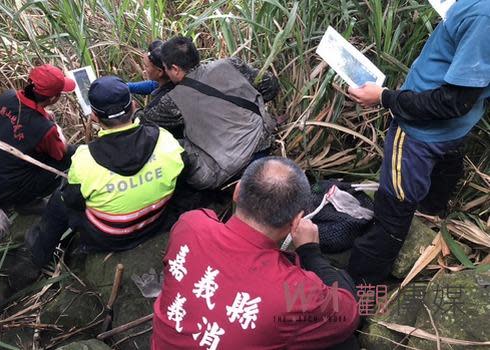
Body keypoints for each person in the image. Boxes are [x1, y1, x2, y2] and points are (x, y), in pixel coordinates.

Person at [346, 0, 490, 283]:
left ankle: (357, 292)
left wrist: (384, 97)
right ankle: (428, 214)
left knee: (391, 216)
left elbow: (452, 102)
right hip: (454, 131)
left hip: (419, 133)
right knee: (443, 172)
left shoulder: (484, 16)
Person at [152, 157, 360, 350]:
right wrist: (310, 252)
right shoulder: (295, 292)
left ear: (237, 190)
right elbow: (348, 314)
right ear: (297, 221)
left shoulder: (190, 225)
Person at [24, 76, 185, 268]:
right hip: (158, 222)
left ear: (94, 116)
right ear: (133, 106)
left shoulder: (85, 159)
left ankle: (38, 257)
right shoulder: (165, 140)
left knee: (60, 198)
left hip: (110, 238)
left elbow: (74, 201)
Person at [136, 36, 280, 189]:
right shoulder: (230, 64)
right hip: (263, 141)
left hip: (226, 169)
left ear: (176, 70)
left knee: (172, 144)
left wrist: (135, 110)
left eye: (166, 68)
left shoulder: (172, 100)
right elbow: (270, 84)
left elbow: (144, 125)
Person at [0, 64, 76, 210]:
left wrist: (45, 117)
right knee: (71, 156)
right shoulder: (44, 128)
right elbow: (62, 152)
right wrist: (55, 127)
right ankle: (26, 203)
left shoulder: (6, 97)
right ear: (54, 98)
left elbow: (20, 120)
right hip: (9, 192)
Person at [128, 40, 182, 138]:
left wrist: (133, 111)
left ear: (160, 71)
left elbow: (143, 121)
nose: (144, 70)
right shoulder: (179, 79)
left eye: (146, 66)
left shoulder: (161, 105)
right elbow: (154, 85)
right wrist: (128, 87)